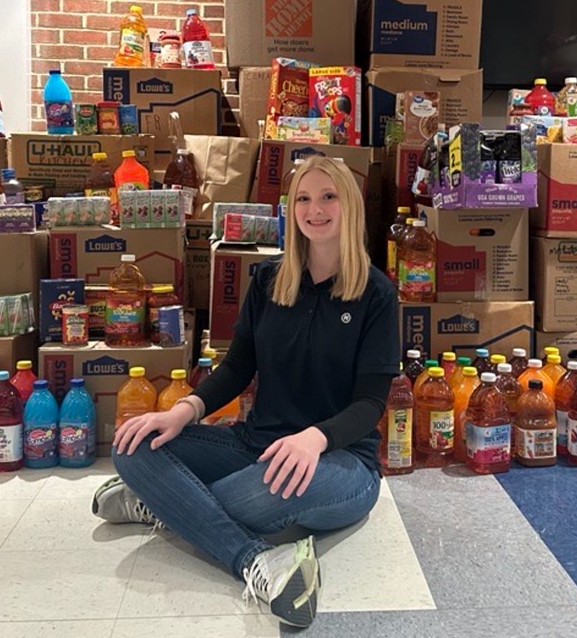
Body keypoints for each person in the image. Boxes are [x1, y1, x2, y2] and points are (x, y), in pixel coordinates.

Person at [93, 156, 400, 628]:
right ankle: (258, 559)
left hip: (340, 462)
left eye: (328, 197)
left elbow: (370, 405)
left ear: (350, 206)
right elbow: (237, 367)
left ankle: (163, 502)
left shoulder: (377, 293)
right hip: (254, 443)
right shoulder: (269, 281)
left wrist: (313, 439)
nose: (314, 209)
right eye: (303, 198)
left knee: (253, 495)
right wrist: (184, 411)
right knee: (133, 445)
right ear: (290, 209)